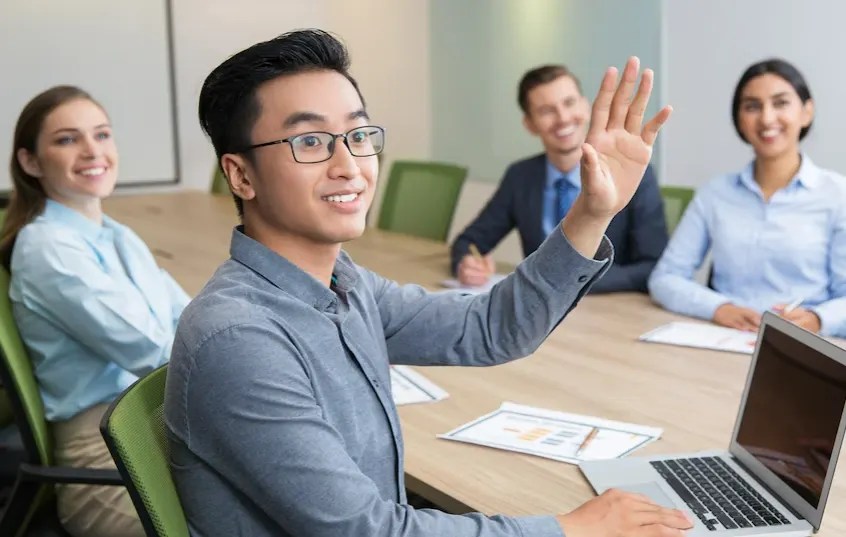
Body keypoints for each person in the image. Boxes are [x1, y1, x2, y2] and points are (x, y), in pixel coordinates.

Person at [164, 29, 692, 537]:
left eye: (358, 135)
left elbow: (491, 328)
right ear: (241, 176)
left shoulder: (344, 285)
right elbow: (369, 531)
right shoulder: (240, 337)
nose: (349, 165)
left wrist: (591, 211)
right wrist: (570, 529)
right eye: (310, 141)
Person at [0, 86, 190, 537]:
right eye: (67, 140)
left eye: (102, 135)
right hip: (108, 456)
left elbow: (190, 321)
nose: (92, 151)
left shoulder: (116, 235)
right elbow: (155, 352)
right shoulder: (47, 249)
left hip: (159, 425)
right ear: (30, 162)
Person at [648, 59, 846, 337]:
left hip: (805, 346)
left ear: (806, 112)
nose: (766, 118)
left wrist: (817, 318)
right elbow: (665, 278)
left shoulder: (837, 195)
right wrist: (719, 308)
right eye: (752, 106)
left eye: (780, 103)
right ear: (739, 120)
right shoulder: (714, 194)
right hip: (725, 339)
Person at [450, 64, 668, 292]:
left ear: (585, 105)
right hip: (539, 315)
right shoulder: (521, 176)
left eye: (569, 103)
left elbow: (652, 267)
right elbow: (469, 242)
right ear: (530, 124)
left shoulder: (632, 176)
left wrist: (570, 280)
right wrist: (466, 263)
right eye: (546, 111)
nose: (563, 118)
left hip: (608, 309)